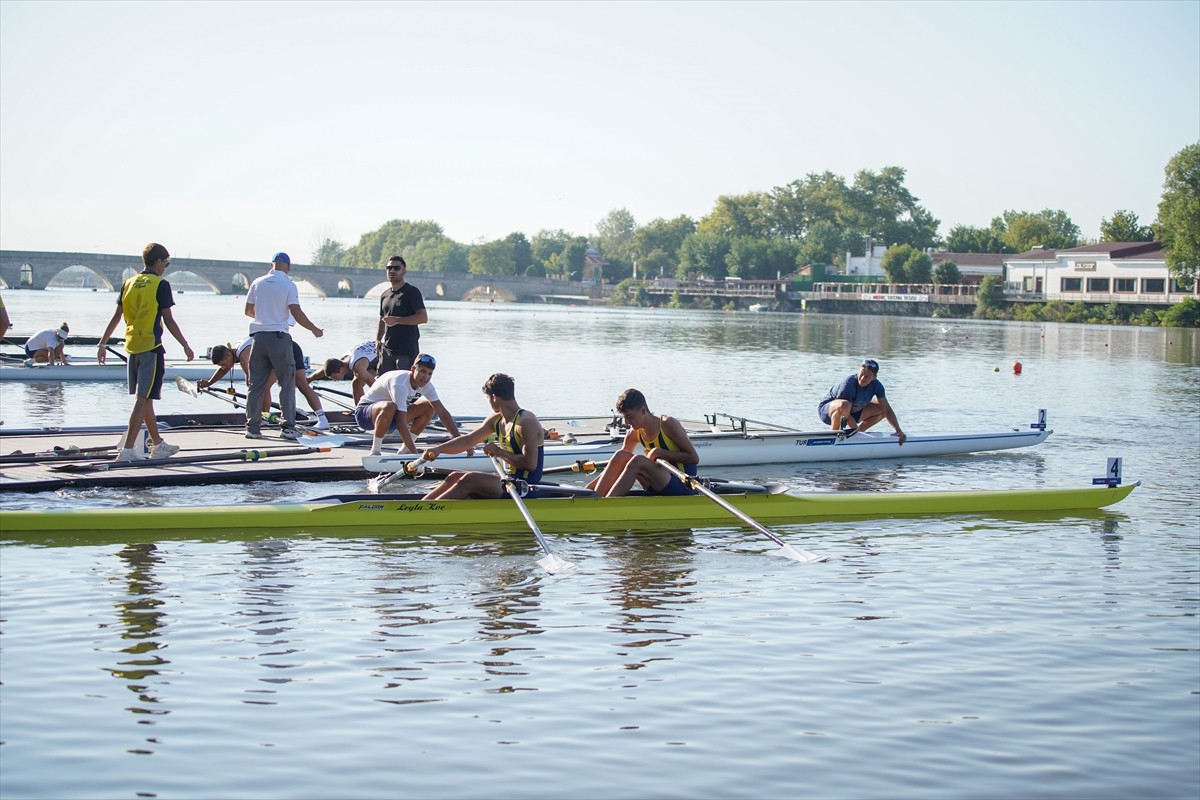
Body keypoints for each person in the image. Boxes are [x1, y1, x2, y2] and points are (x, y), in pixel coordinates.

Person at [97, 242, 195, 462]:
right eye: (166, 263)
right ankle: (127, 450)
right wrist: (185, 344)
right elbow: (168, 320)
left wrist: (102, 344)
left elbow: (117, 316)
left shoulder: (129, 283)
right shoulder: (160, 284)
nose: (165, 268)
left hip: (132, 347)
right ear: (158, 261)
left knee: (146, 398)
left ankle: (158, 445)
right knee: (143, 400)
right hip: (152, 348)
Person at [421, 373, 544, 501]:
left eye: (487, 397)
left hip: (525, 486)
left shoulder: (526, 422)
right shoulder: (496, 419)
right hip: (508, 479)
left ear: (494, 397)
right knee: (454, 477)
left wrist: (499, 452)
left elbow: (530, 464)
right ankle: (421, 506)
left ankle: (431, 510)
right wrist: (438, 449)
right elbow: (468, 440)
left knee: (470, 480)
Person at [243, 252, 324, 440]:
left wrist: (265, 316)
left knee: (255, 385)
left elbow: (248, 311)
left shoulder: (257, 283)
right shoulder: (288, 285)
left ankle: (252, 428)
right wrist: (314, 329)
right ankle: (287, 427)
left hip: (258, 338)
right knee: (286, 383)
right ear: (288, 267)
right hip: (279, 337)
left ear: (270, 265)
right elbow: (296, 312)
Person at [587, 388, 700, 497]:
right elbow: (616, 466)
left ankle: (608, 503)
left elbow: (694, 458)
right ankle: (594, 498)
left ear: (642, 410)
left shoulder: (667, 424)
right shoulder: (633, 433)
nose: (626, 422)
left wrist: (660, 453)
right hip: (657, 484)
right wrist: (588, 489)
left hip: (683, 484)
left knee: (638, 461)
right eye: (624, 417)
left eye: (629, 417)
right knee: (621, 455)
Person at [200, 337, 332, 430]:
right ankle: (264, 417)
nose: (224, 367)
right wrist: (209, 382)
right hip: (281, 352)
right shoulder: (234, 351)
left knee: (297, 384)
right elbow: (224, 369)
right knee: (264, 386)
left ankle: (322, 419)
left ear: (229, 355)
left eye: (223, 364)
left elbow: (253, 383)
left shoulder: (245, 356)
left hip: (288, 350)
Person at [355, 353, 463, 455]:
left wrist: (462, 443)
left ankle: (405, 451)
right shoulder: (400, 384)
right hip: (365, 415)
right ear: (413, 369)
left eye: (429, 373)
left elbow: (443, 413)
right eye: (422, 371)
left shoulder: (428, 386)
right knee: (390, 406)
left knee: (429, 406)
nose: (426, 377)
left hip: (390, 417)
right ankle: (375, 451)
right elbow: (401, 423)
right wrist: (416, 454)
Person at [817, 358, 906, 444]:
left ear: (874, 377)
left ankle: (859, 432)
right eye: (861, 374)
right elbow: (844, 411)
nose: (863, 378)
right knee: (844, 405)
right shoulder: (848, 383)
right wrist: (855, 431)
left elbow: (887, 410)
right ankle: (834, 437)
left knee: (882, 408)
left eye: (867, 376)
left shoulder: (877, 386)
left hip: (852, 411)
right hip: (827, 411)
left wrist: (898, 430)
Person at [376, 254, 427, 374]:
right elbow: (382, 319)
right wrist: (378, 340)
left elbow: (423, 318)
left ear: (404, 271)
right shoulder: (385, 295)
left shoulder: (411, 292)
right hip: (387, 351)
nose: (392, 271)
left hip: (406, 352)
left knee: (404, 383)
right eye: (389, 268)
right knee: (382, 382)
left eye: (396, 268)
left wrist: (397, 320)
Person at [307, 339, 376, 402]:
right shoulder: (341, 361)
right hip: (369, 353)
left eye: (334, 377)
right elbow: (323, 371)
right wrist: (309, 379)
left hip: (380, 356)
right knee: (356, 383)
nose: (334, 380)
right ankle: (360, 410)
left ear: (341, 369)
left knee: (359, 382)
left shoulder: (358, 368)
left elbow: (375, 386)